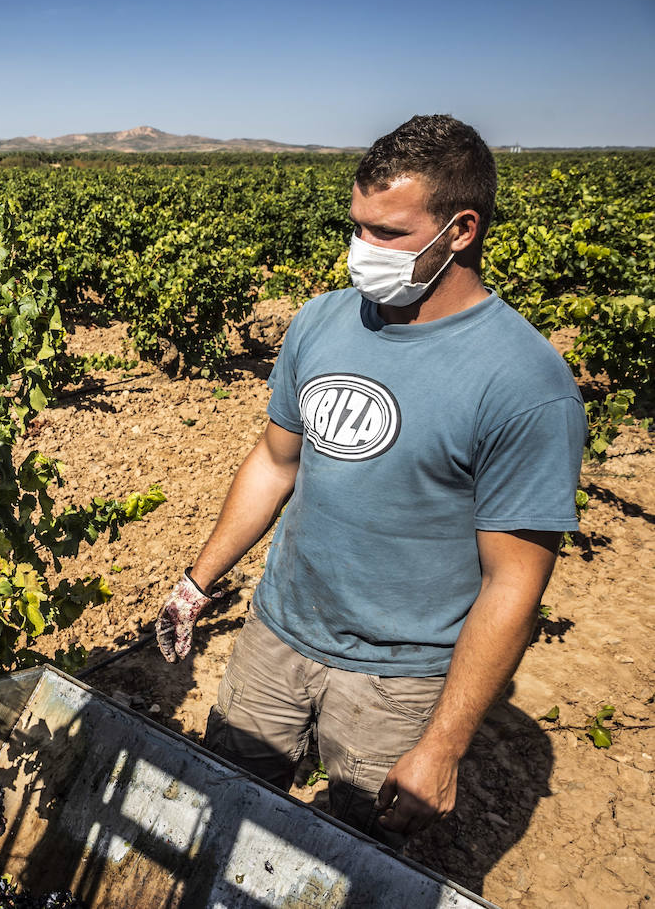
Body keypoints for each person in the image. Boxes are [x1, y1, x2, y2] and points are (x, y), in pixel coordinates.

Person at [155, 114, 585, 844]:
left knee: (353, 856)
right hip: (278, 634)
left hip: (401, 682)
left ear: (461, 229)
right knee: (222, 816)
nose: (363, 251)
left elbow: (515, 581)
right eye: (357, 227)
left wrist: (443, 746)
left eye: (387, 233)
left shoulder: (524, 384)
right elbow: (274, 461)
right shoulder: (321, 323)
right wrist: (197, 583)